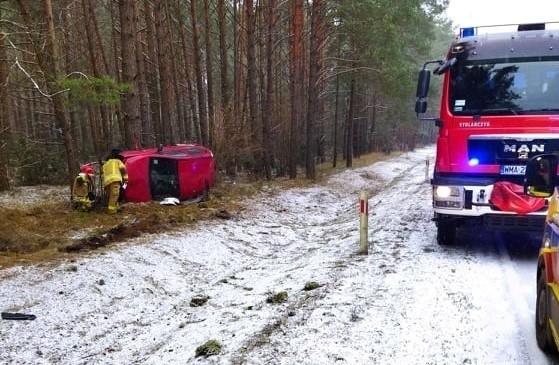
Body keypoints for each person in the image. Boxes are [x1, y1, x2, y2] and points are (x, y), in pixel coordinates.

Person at [102, 149, 128, 213]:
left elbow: (102, 174)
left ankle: (116, 206)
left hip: (106, 182)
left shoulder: (105, 164)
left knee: (111, 196)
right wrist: (126, 179)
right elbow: (123, 170)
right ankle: (112, 210)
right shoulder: (118, 161)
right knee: (114, 195)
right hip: (115, 180)